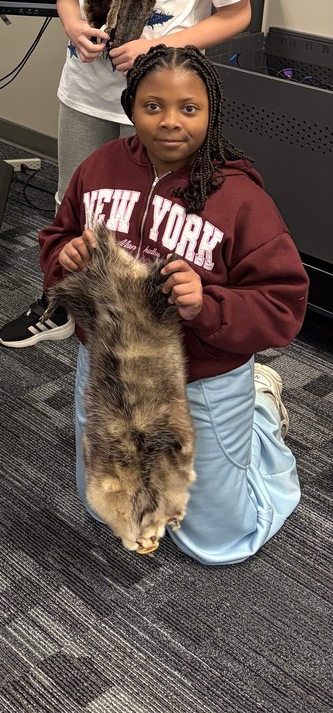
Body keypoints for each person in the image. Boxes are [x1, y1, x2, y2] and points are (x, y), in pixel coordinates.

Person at [0, 0, 255, 347]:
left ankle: (145, 313)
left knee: (155, 212)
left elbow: (238, 12)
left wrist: (160, 48)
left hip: (161, 99)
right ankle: (61, 303)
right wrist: (72, 26)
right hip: (86, 90)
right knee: (78, 203)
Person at [41, 44, 308, 563]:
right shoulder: (100, 167)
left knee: (218, 544)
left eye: (189, 108)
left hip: (200, 373)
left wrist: (204, 304)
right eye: (152, 106)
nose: (169, 122)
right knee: (105, 508)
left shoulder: (240, 199)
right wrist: (66, 255)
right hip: (108, 365)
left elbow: (283, 304)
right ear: (130, 108)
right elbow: (57, 237)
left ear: (212, 112)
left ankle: (260, 413)